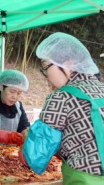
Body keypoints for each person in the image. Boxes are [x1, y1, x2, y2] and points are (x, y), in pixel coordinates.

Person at [19, 32, 104, 184]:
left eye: (46, 66)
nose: (46, 75)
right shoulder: (101, 89)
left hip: (86, 179)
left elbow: (34, 157)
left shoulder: (61, 97)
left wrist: (27, 139)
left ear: (69, 63)